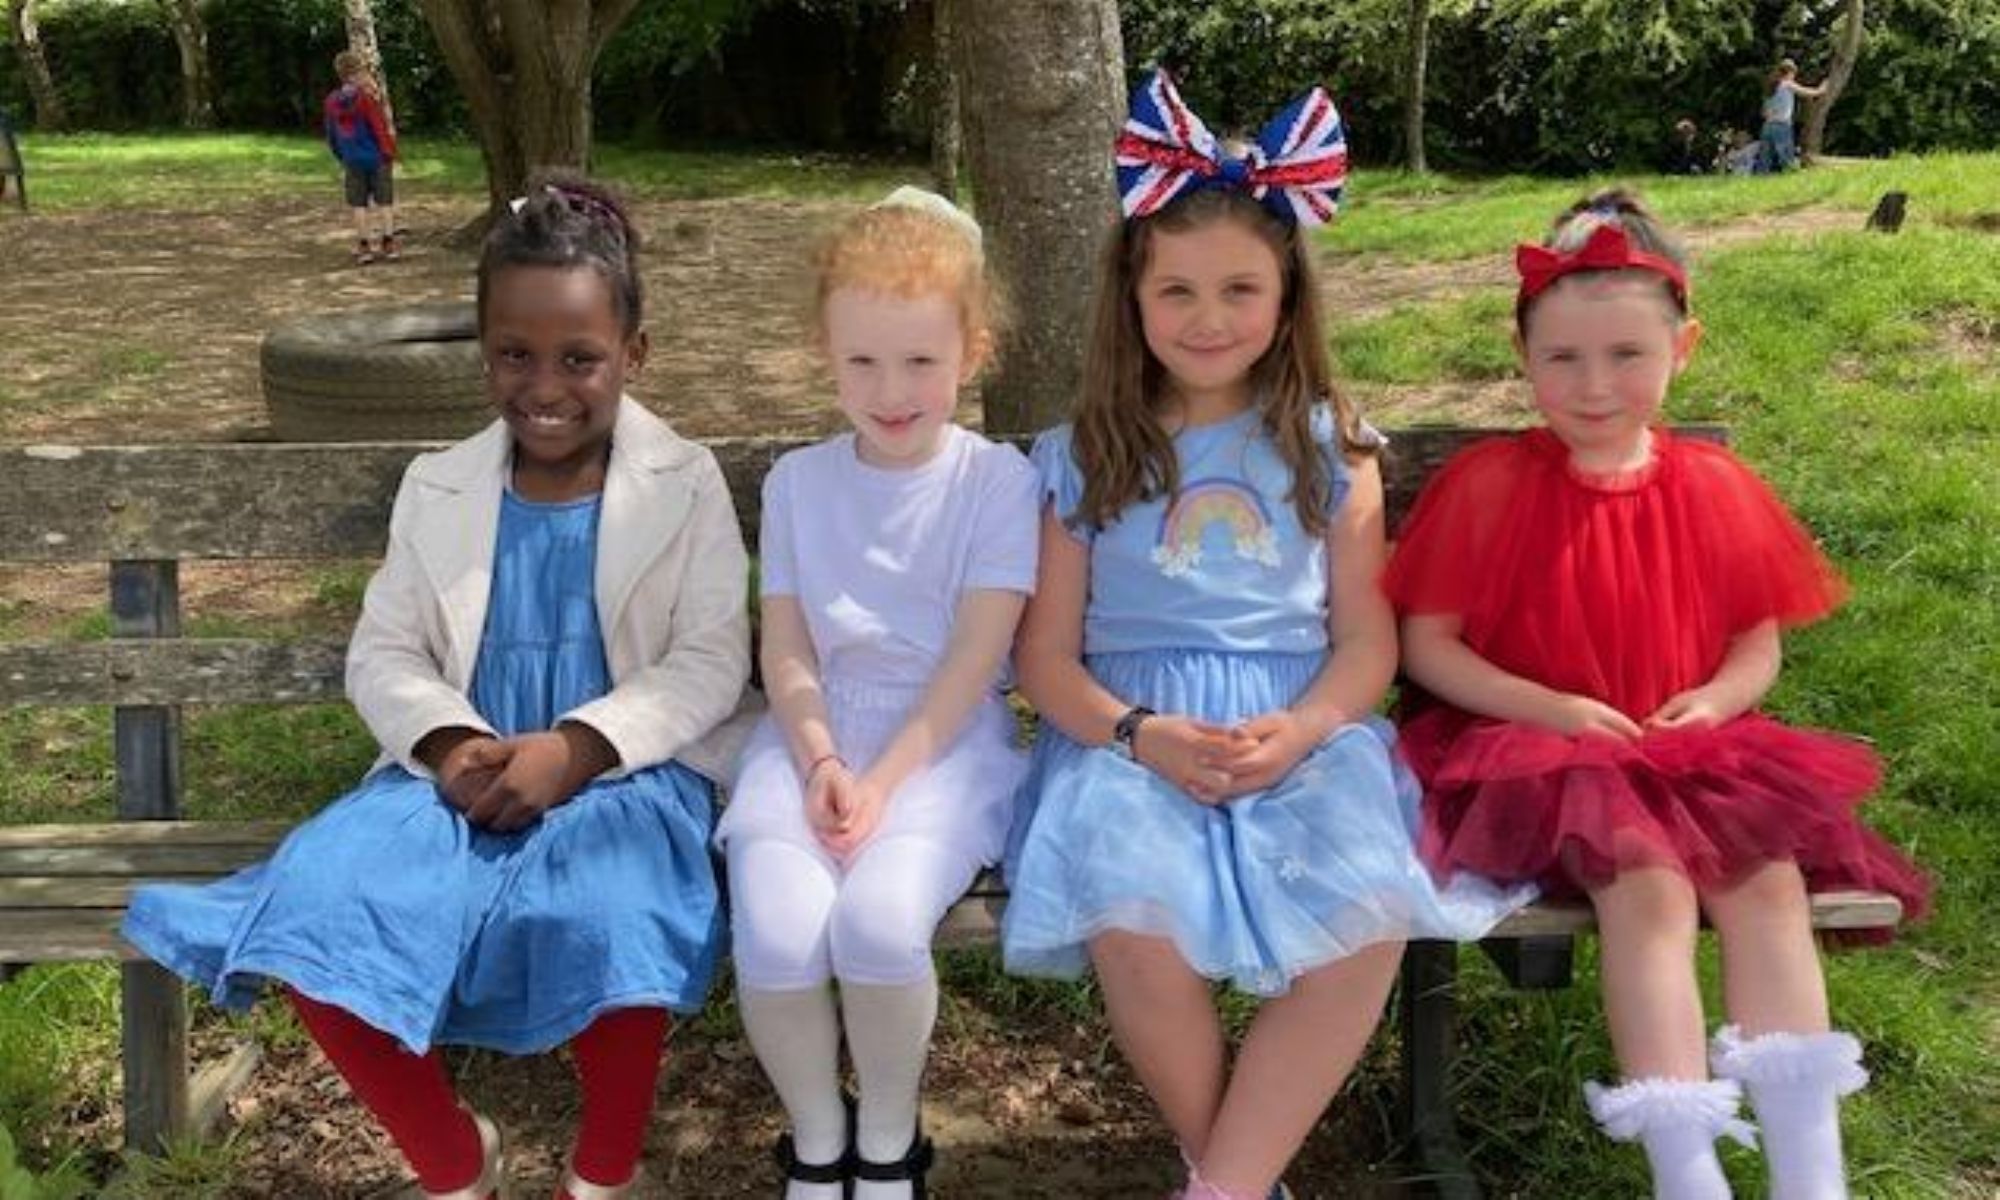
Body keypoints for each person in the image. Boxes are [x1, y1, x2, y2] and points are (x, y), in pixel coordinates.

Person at [123, 175, 754, 1200]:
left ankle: (601, 1176)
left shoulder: (684, 485)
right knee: (319, 908)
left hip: (625, 777)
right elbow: (384, 654)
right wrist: (450, 745)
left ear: (633, 354)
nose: (544, 384)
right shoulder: (439, 485)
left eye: (579, 357)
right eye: (514, 354)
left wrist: (578, 749)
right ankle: (456, 1165)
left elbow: (709, 658)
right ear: (482, 350)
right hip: (451, 777)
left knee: (614, 916)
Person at [1001, 72, 1531, 1200]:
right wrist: (1139, 734)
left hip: (1301, 729)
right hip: (1128, 739)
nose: (1208, 318)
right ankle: (1238, 1179)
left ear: (1288, 303)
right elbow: (1043, 659)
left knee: (1369, 918)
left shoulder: (1333, 449)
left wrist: (1301, 730)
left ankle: (1224, 1186)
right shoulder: (1083, 454)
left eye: (1240, 289)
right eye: (1176, 291)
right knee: (1130, 914)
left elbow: (1366, 643)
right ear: (1131, 301)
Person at [1383, 190, 1929, 1200]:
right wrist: (1545, 708)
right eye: (1562, 358)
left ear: (1683, 347)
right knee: (1646, 888)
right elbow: (1428, 647)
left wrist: (1717, 700)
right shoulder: (1491, 485)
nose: (1593, 386)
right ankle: (1686, 1172)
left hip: (1691, 747)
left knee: (1765, 882)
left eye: (1626, 355)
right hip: (1543, 754)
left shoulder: (1712, 484)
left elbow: (1754, 645)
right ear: (1521, 355)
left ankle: (1810, 1171)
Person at [715, 186, 1039, 1200]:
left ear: (972, 353)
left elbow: (972, 659)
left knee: (878, 923)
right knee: (777, 934)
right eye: (861, 361)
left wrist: (882, 783)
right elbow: (787, 649)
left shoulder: (997, 483)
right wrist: (818, 758)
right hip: (811, 737)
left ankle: (890, 1138)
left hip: (942, 745)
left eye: (919, 362)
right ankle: (819, 1138)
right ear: (824, 352)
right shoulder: (798, 484)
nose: (890, 390)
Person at [326, 49, 400, 264]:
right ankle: (388, 242)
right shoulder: (367, 99)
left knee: (358, 204)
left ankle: (364, 246)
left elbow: (331, 134)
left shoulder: (331, 102)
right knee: (385, 201)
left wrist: (341, 155)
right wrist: (389, 153)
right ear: (355, 74)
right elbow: (379, 128)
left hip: (352, 159)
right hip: (377, 158)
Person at [1758, 59, 1825, 173]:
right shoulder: (1787, 84)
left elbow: (1763, 112)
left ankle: (1760, 178)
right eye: (1794, 74)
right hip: (1781, 125)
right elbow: (1807, 92)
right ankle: (1792, 175)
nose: (1794, 77)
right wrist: (1822, 89)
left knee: (1764, 160)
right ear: (1790, 72)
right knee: (1787, 158)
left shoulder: (1770, 88)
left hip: (1767, 126)